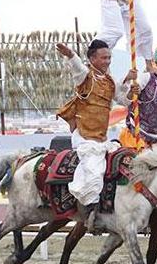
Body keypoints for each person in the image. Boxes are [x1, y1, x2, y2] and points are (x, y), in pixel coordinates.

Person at [56, 40, 136, 230]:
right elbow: (77, 68)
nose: (107, 61)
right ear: (92, 59)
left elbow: (125, 101)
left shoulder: (109, 81)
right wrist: (70, 54)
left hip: (102, 138)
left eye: (109, 57)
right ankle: (90, 214)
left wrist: (131, 90)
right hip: (84, 137)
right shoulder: (85, 76)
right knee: (93, 171)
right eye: (103, 57)